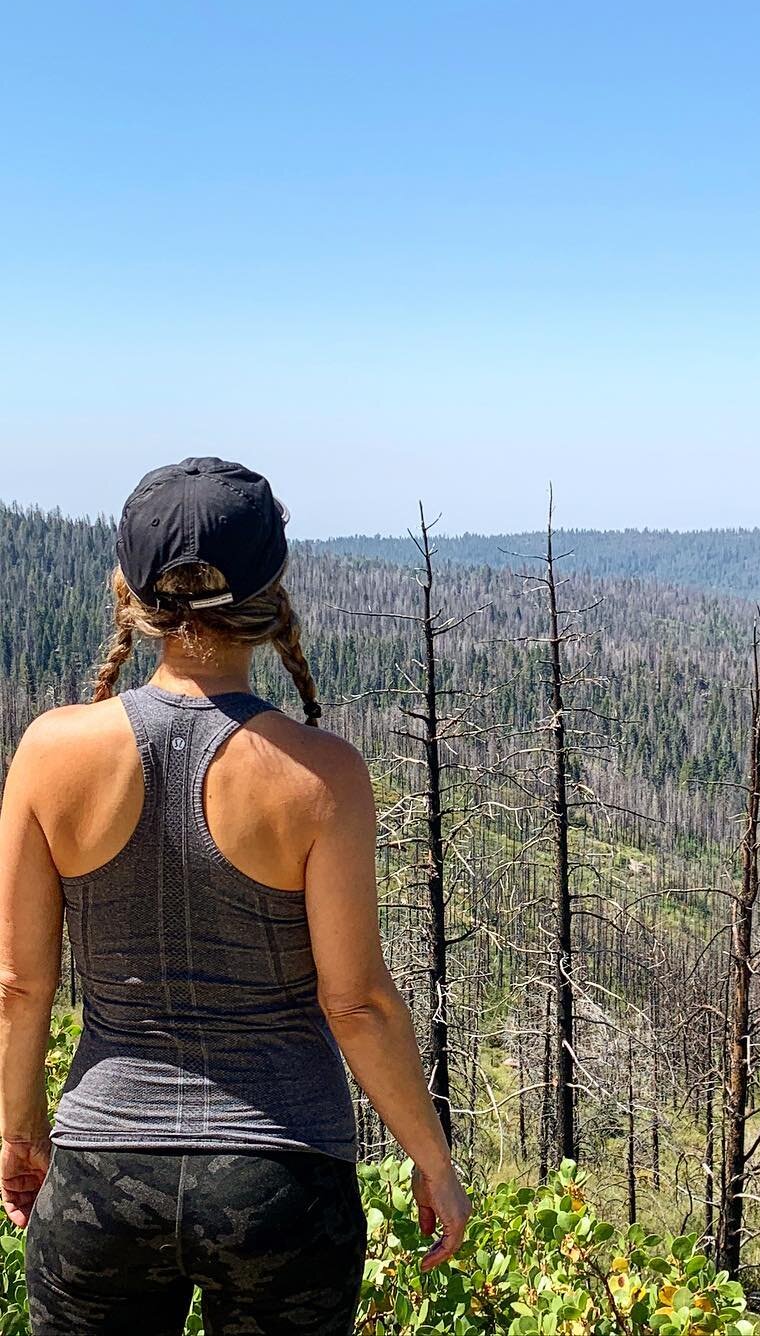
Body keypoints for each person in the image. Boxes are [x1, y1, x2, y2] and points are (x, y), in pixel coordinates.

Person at [0, 457, 472, 1334]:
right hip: (282, 1179)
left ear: (133, 593)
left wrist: (22, 1135)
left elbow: (21, 987)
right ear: (270, 592)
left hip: (103, 1169)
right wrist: (430, 1157)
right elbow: (357, 1004)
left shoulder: (47, 753)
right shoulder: (321, 775)